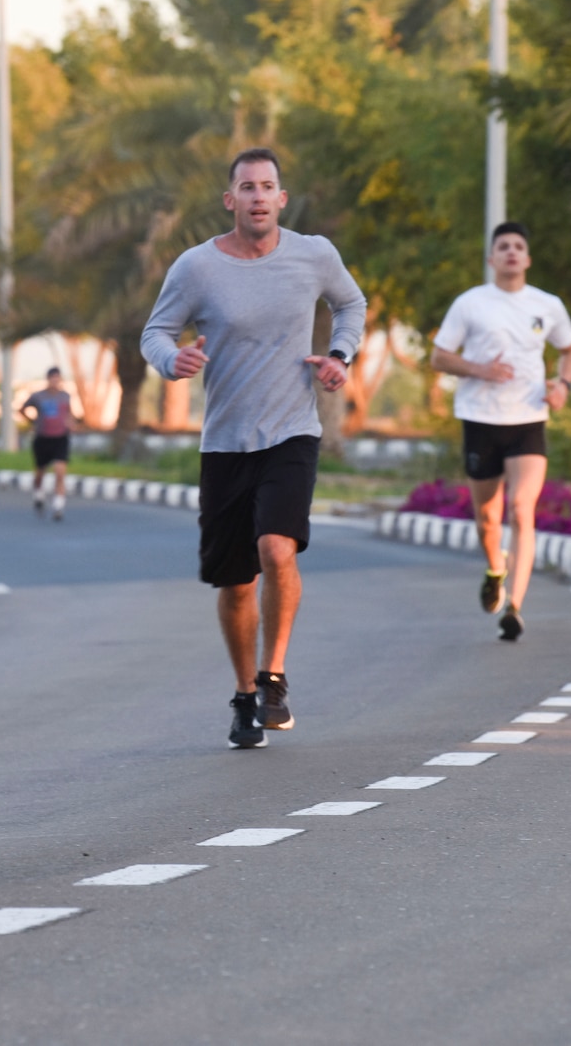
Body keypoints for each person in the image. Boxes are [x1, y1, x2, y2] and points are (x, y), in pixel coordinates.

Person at [141, 147, 365, 749]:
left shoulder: (314, 254)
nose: (259, 196)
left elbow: (351, 304)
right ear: (230, 199)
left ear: (282, 199)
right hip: (225, 443)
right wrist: (173, 360)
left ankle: (274, 678)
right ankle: (244, 695)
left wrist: (341, 356)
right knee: (236, 583)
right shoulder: (196, 268)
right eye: (248, 187)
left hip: (292, 431)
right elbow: (155, 332)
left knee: (276, 548)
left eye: (269, 186)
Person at [430, 223, 571, 642]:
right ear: (492, 259)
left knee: (521, 508)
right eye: (503, 247)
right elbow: (439, 357)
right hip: (480, 418)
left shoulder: (547, 305)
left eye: (518, 246)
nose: (512, 252)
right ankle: (496, 568)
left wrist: (563, 386)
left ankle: (514, 605)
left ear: (528, 259)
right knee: (487, 518)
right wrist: (481, 370)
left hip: (528, 419)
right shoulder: (471, 304)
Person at [20, 367, 77, 520]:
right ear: (48, 379)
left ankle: (58, 507)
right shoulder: (38, 396)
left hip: (60, 438)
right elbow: (23, 409)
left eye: (57, 379)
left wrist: (71, 423)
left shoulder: (65, 396)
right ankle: (38, 494)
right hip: (42, 438)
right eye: (52, 378)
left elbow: (69, 413)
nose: (55, 382)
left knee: (60, 472)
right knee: (40, 471)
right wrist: (32, 422)